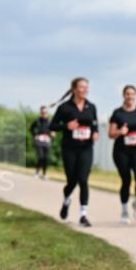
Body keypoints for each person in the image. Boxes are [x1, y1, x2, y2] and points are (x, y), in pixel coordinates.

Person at [49, 78, 99, 227]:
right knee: (72, 181)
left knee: (83, 180)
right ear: (74, 90)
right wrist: (66, 126)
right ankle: (66, 201)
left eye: (86, 87)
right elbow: (53, 126)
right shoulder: (65, 108)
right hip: (70, 149)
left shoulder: (91, 107)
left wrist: (95, 133)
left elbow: (94, 124)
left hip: (86, 148)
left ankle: (83, 215)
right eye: (82, 87)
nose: (85, 90)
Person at [108, 85, 136, 224]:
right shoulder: (118, 113)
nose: (130, 96)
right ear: (123, 95)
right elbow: (110, 134)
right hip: (121, 152)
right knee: (126, 181)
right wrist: (120, 132)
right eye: (127, 94)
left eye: (132, 94)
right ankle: (125, 211)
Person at [30, 106, 54, 180]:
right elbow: (31, 128)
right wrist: (35, 135)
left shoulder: (50, 121)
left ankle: (44, 174)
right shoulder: (37, 121)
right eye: (42, 112)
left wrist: (52, 133)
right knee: (41, 157)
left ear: (47, 113)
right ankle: (36, 173)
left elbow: (53, 130)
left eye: (45, 112)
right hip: (39, 141)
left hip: (47, 140)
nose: (44, 114)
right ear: (41, 112)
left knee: (46, 158)